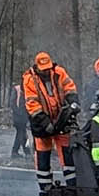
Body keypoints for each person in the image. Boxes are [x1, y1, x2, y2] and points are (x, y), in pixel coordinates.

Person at [21, 52, 77, 182]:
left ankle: (72, 184)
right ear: (37, 67)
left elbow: (70, 88)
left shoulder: (59, 72)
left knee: (67, 153)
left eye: (48, 68)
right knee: (43, 154)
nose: (46, 72)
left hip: (61, 118)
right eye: (43, 69)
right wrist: (46, 123)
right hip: (41, 121)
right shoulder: (29, 79)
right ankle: (45, 185)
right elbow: (32, 105)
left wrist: (73, 102)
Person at [8, 77, 29, 157]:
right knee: (21, 133)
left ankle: (18, 151)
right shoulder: (17, 89)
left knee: (21, 133)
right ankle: (19, 152)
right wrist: (19, 113)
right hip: (18, 117)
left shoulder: (27, 90)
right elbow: (12, 104)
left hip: (23, 116)